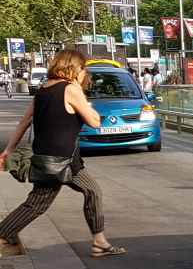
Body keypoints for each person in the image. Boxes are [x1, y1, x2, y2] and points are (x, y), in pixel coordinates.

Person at [0, 49, 124, 256]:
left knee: (80, 194)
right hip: (60, 158)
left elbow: (24, 122)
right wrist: (80, 93)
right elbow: (94, 121)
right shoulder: (70, 89)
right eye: (83, 69)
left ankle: (99, 241)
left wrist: (8, 150)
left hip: (51, 156)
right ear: (75, 68)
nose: (85, 73)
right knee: (47, 201)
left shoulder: (43, 90)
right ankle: (3, 234)